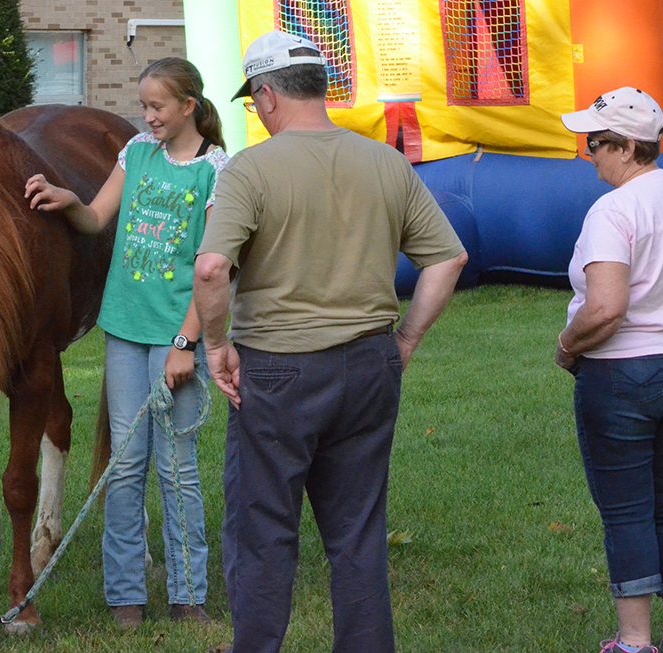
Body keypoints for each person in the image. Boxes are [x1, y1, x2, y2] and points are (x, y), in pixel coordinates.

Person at [192, 29, 468, 653]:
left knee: (264, 532)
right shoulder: (387, 162)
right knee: (358, 535)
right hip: (369, 362)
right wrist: (405, 340)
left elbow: (211, 269)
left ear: (265, 96)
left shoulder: (250, 168)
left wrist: (213, 347)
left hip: (278, 371)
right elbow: (448, 259)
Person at [25, 57, 229, 628]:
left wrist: (186, 343)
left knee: (177, 468)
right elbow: (94, 218)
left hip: (175, 340)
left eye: (158, 107)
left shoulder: (216, 172)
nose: (148, 117)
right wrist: (68, 201)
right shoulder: (135, 153)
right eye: (144, 106)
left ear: (189, 106)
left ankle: (189, 597)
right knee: (125, 466)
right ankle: (125, 599)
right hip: (124, 333)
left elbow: (214, 268)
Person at [556, 87, 663, 653]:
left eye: (594, 143)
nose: (588, 154)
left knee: (626, 509)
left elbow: (605, 307)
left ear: (626, 147)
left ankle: (632, 641)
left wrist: (567, 347)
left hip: (624, 373)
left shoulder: (614, 209)